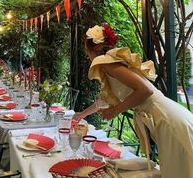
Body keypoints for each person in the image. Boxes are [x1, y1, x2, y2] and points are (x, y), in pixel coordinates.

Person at [73, 24, 193, 178]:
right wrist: (82, 115)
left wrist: (116, 110)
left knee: (179, 171)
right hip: (163, 116)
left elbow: (145, 90)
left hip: (166, 118)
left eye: (86, 50)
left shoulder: (108, 63)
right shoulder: (110, 64)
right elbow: (104, 100)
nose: (86, 54)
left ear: (95, 49)